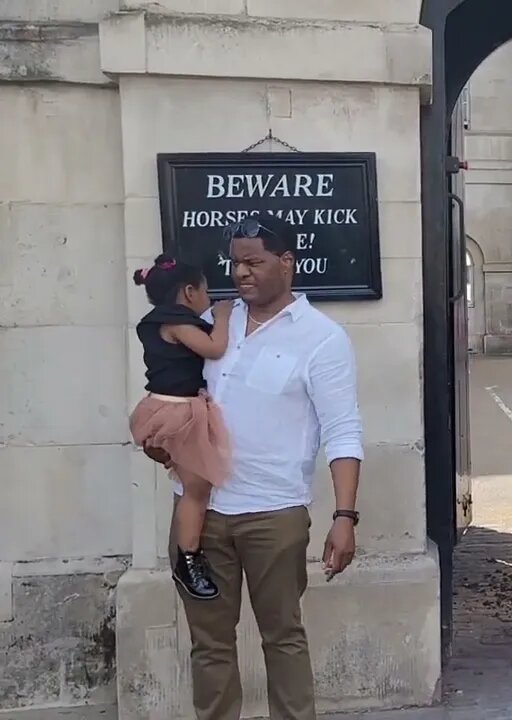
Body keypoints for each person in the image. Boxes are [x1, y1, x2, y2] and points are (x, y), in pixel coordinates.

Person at [146, 213, 365, 720]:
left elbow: (342, 429)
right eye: (234, 263)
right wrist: (164, 440)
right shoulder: (211, 322)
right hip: (199, 513)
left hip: (273, 514)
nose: (240, 272)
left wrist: (344, 516)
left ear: (287, 263)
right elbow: (174, 390)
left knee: (282, 636)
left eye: (253, 262)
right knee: (209, 644)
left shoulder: (322, 338)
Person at [129, 254, 232, 601]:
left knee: (194, 484)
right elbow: (214, 349)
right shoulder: (176, 322)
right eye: (206, 291)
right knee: (197, 488)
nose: (209, 298)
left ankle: (188, 556)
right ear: (189, 292)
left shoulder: (156, 322)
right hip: (178, 412)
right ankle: (188, 559)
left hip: (167, 407)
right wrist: (222, 317)